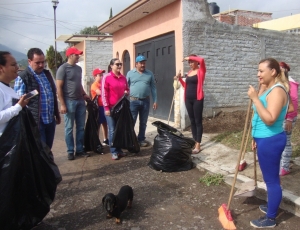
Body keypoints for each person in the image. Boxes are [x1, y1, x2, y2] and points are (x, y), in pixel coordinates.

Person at [248, 58, 289, 228]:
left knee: (272, 181)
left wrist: (255, 99)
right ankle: (272, 204)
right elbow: (258, 114)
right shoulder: (268, 89)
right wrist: (254, 136)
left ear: (273, 72)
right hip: (263, 139)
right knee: (270, 178)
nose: (258, 74)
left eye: (261, 71)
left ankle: (271, 218)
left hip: (270, 140)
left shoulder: (278, 91)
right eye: (257, 71)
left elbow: (271, 119)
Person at [14, 48, 60, 149]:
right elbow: (18, 103)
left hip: (49, 120)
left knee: (48, 149)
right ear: (29, 61)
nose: (41, 65)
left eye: (43, 62)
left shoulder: (46, 74)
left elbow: (52, 94)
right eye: (37, 62)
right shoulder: (23, 77)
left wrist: (56, 114)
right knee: (40, 151)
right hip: (36, 122)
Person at [56, 47, 90, 160]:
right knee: (69, 127)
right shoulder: (63, 69)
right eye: (76, 55)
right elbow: (59, 87)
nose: (78, 56)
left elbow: (79, 84)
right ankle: (70, 151)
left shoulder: (79, 69)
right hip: (69, 101)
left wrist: (84, 94)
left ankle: (79, 150)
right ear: (70, 55)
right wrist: (63, 104)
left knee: (80, 127)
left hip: (80, 101)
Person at [174, 54, 206, 154]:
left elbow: (202, 60)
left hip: (197, 99)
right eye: (189, 62)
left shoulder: (201, 71)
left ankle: (198, 144)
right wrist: (179, 79)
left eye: (192, 61)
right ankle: (195, 140)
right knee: (192, 121)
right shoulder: (189, 72)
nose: (190, 63)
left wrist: (190, 57)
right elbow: (186, 86)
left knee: (198, 121)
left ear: (196, 62)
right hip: (188, 99)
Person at [126, 55, 157, 147]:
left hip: (145, 101)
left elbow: (153, 88)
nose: (143, 65)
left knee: (143, 122)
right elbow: (125, 87)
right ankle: (131, 140)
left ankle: (141, 139)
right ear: (136, 64)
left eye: (144, 63)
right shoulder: (130, 73)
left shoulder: (149, 74)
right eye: (141, 63)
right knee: (132, 121)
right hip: (133, 101)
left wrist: (155, 100)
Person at [102, 58, 129, 160]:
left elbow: (127, 88)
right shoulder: (107, 77)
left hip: (121, 108)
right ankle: (113, 151)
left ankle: (119, 150)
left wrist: (126, 91)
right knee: (112, 129)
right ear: (111, 66)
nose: (119, 66)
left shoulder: (123, 78)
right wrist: (106, 108)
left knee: (119, 130)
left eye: (120, 64)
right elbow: (104, 94)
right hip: (111, 108)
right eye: (117, 64)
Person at [0, 51, 29, 137]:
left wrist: (21, 104)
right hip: (4, 145)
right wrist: (18, 106)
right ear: (1, 68)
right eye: (13, 65)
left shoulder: (7, 87)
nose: (17, 67)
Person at [279, 61, 299, 176]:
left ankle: (284, 167)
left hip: (287, 118)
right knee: (281, 141)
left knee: (285, 142)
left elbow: (294, 101)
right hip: (281, 117)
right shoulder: (282, 83)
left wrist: (290, 118)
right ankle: (282, 163)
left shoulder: (290, 83)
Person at [91, 68, 109, 146]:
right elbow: (100, 92)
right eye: (99, 75)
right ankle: (96, 141)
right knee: (97, 124)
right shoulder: (94, 85)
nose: (101, 77)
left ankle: (105, 139)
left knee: (105, 123)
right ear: (95, 76)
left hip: (104, 106)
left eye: (102, 75)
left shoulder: (103, 83)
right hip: (98, 107)